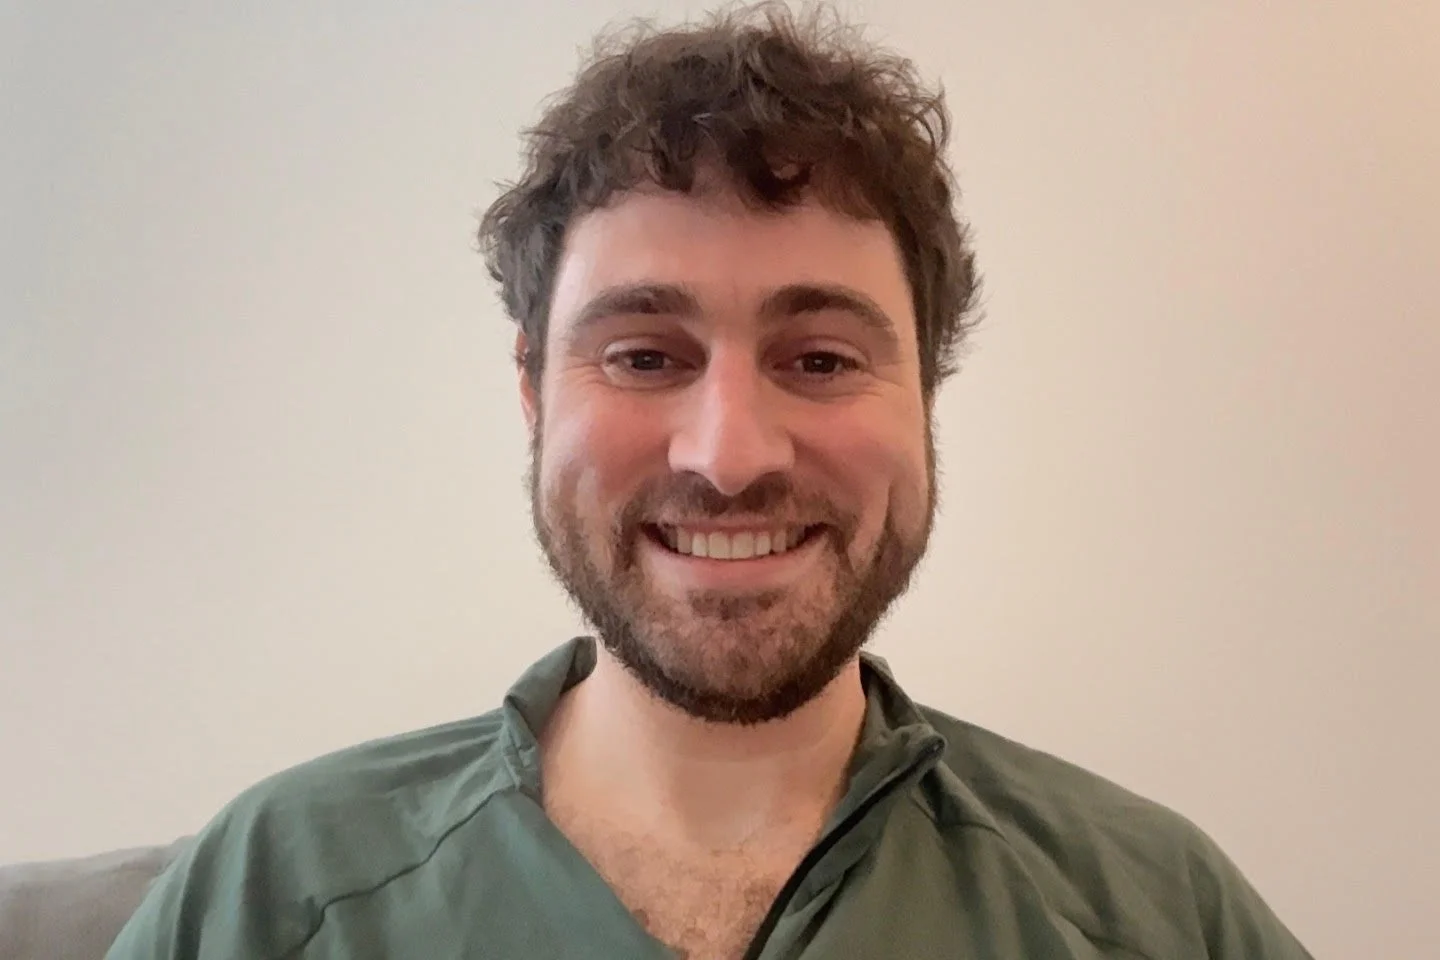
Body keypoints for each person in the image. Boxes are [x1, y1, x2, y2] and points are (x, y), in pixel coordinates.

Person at [106, 4, 1314, 958]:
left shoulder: (1159, 916)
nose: (729, 453)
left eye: (821, 358)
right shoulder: (270, 896)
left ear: (926, 399)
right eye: (644, 356)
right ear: (534, 393)